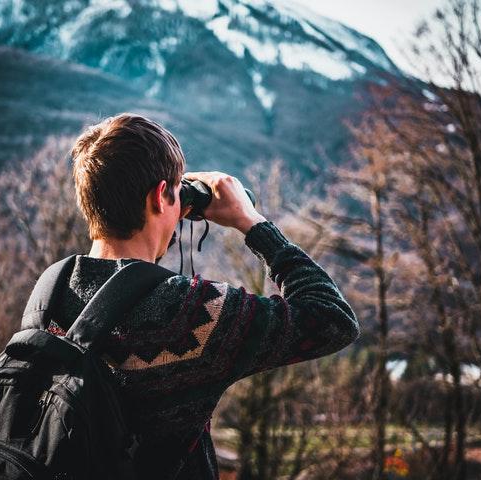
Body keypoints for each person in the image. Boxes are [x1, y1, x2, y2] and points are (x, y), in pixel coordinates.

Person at [52, 112, 360, 479]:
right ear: (159, 197)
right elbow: (332, 318)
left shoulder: (51, 295)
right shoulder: (189, 317)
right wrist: (252, 222)